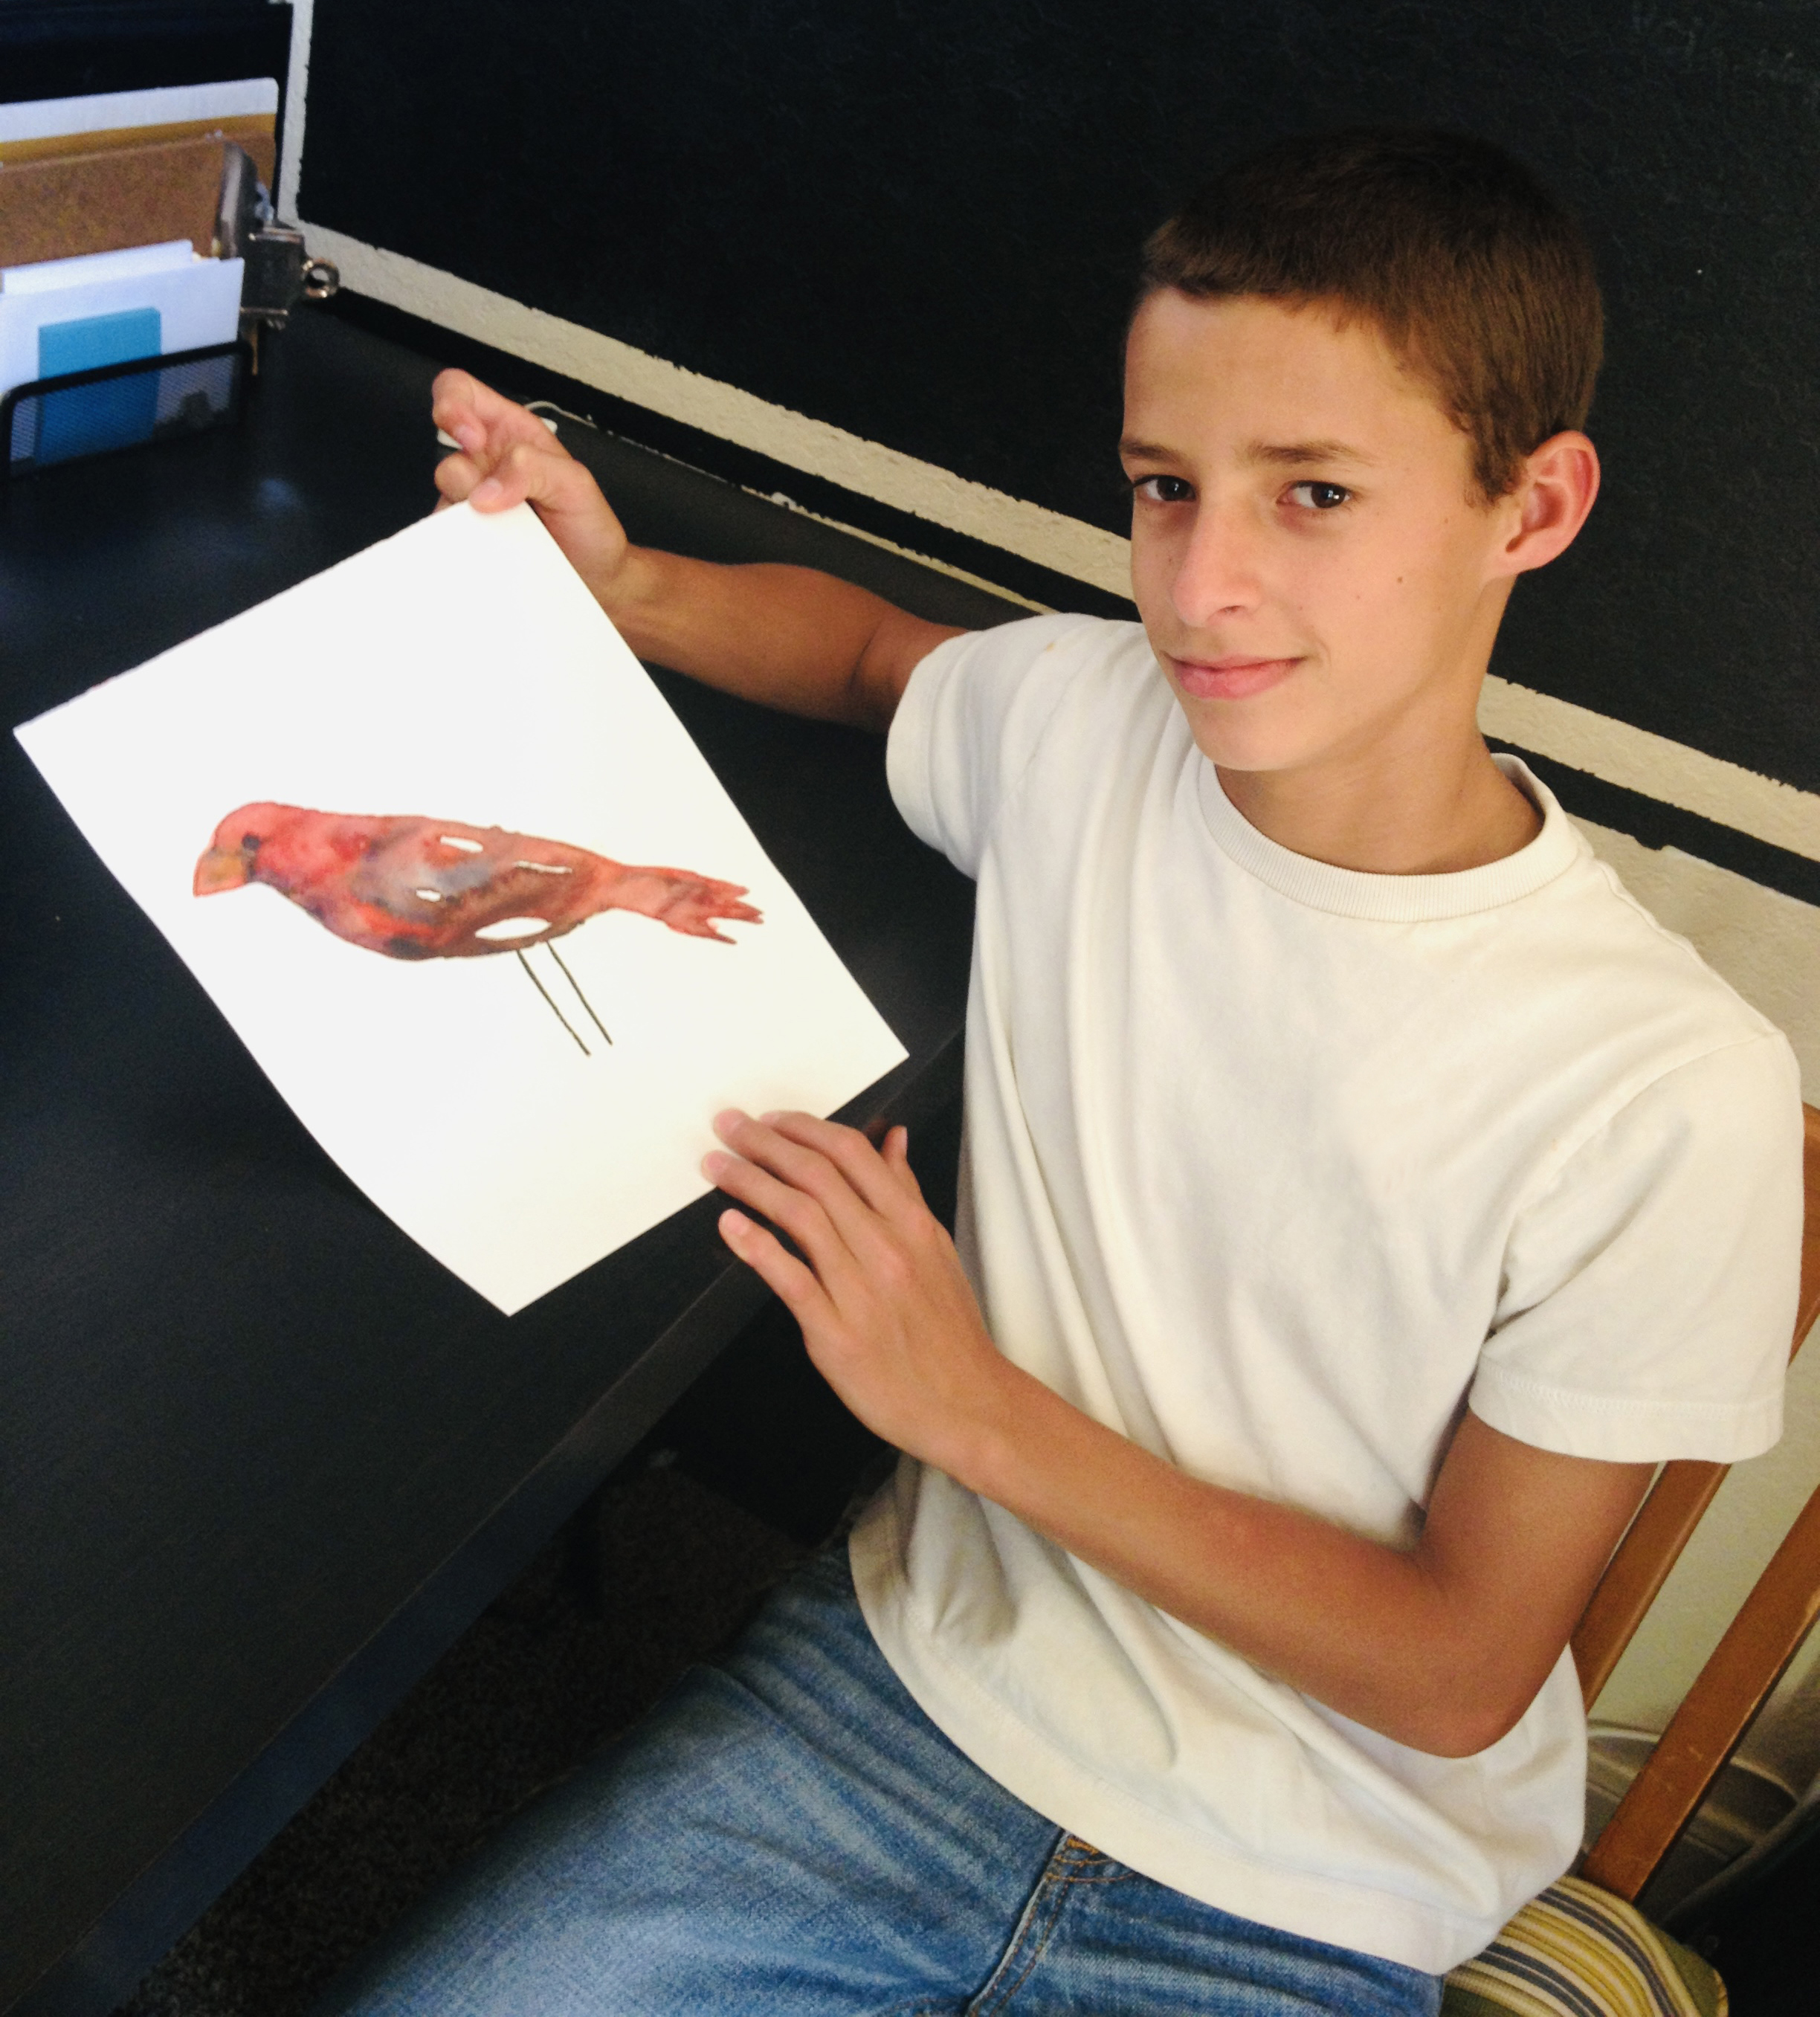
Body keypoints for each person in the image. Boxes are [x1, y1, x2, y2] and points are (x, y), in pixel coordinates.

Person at [317, 129, 1803, 2016]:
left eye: (1315, 492)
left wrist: (969, 1404)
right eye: (1165, 487)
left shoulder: (1670, 1092)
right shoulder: (1087, 727)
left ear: (1533, 504)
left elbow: (1454, 1670)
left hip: (1311, 1882)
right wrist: (628, 587)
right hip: (901, 1703)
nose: (1202, 583)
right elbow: (869, 657)